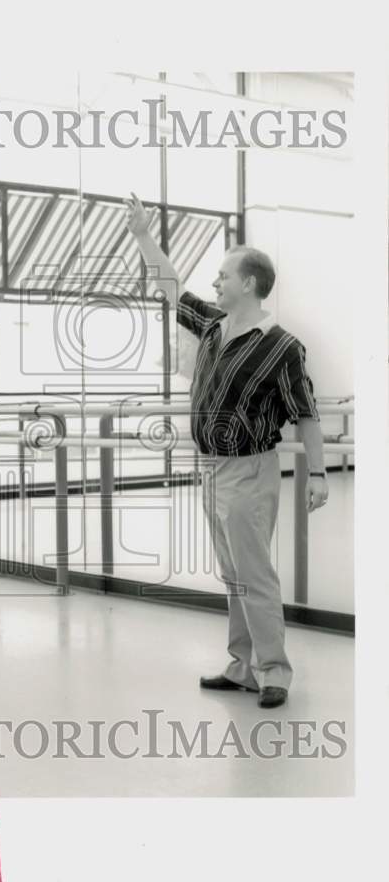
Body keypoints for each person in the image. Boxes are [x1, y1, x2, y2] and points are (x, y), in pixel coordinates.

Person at [125, 193, 329, 708]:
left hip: (250, 470)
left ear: (250, 284)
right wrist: (144, 236)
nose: (215, 282)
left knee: (254, 574)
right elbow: (173, 290)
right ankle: (242, 666)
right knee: (232, 574)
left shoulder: (282, 346)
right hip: (211, 470)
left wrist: (320, 473)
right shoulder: (215, 327)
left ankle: (275, 670)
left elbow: (305, 412)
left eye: (223, 275)